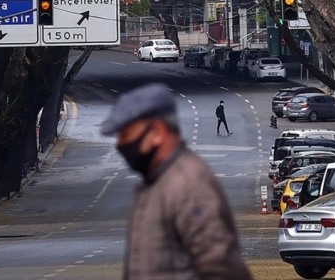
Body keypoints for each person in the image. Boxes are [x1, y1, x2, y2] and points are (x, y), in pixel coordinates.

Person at [101, 84, 253, 280]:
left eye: (126, 134)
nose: (120, 144)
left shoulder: (187, 186)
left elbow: (222, 268)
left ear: (157, 131)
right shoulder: (157, 182)